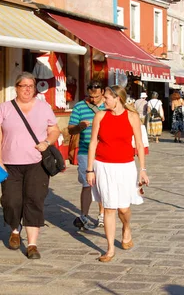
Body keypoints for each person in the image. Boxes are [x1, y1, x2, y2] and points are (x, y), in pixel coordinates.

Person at [0, 72, 61, 259]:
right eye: (24, 86)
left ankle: (32, 245)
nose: (28, 89)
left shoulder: (44, 108)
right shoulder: (4, 108)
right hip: (10, 163)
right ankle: (15, 230)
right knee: (11, 202)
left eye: (31, 85)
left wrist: (47, 142)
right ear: (17, 88)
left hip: (37, 163)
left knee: (35, 200)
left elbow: (54, 129)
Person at [86, 86, 148, 263]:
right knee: (109, 207)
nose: (103, 100)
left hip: (126, 166)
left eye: (106, 98)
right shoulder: (100, 115)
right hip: (103, 165)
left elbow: (139, 143)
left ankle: (126, 227)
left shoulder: (131, 116)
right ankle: (110, 248)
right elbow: (92, 144)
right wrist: (89, 169)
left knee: (123, 208)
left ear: (117, 98)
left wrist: (142, 169)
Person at [68, 80, 107, 230]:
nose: (94, 98)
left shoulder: (108, 106)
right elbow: (70, 130)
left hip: (104, 151)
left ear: (102, 92)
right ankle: (84, 216)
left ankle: (102, 215)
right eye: (91, 95)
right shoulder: (79, 107)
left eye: (97, 95)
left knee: (102, 184)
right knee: (87, 184)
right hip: (85, 151)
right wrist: (79, 126)